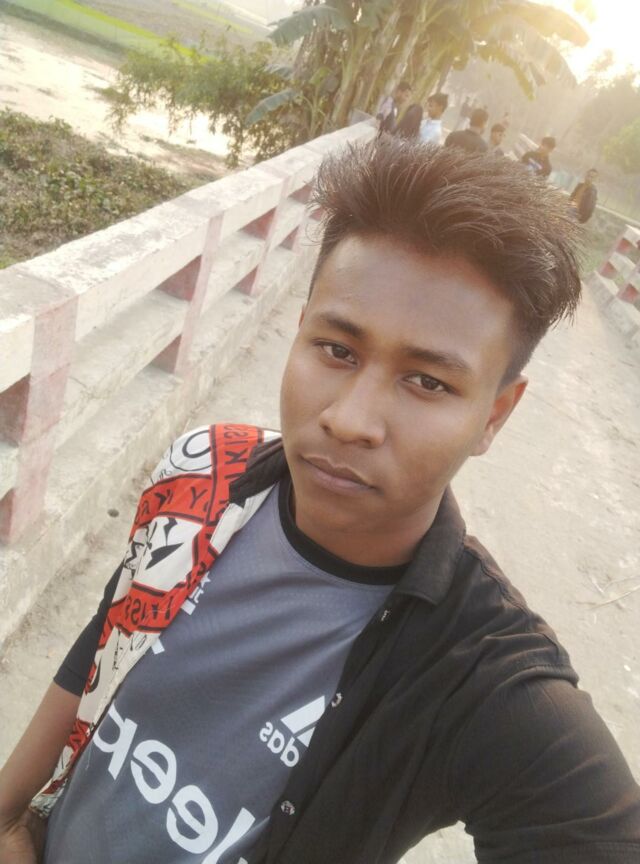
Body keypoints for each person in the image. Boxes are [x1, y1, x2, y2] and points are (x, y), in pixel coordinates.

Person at [1, 140, 640, 864]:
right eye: (337, 349)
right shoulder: (205, 468)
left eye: (428, 382)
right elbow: (110, 631)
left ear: (494, 414)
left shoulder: (475, 673)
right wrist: (9, 815)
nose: (350, 419)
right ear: (302, 327)